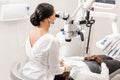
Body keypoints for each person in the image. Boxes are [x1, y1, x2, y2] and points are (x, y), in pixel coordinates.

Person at [22, 3, 71, 80]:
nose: (55, 17)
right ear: (49, 18)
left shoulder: (31, 33)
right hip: (42, 77)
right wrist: (66, 68)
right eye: (54, 14)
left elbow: (39, 57)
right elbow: (55, 71)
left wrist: (57, 63)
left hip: (29, 74)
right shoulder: (51, 40)